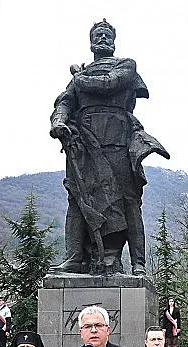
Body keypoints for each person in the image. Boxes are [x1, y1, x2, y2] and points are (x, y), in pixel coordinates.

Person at [50, 20, 169, 276]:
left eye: (106, 35)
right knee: (77, 198)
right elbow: (65, 102)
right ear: (91, 41)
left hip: (119, 143)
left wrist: (78, 77)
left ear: (114, 41)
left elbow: (108, 84)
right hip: (84, 145)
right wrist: (59, 121)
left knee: (129, 201)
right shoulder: (78, 79)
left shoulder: (125, 65)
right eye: (97, 35)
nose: (102, 38)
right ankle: (74, 257)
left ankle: (138, 263)